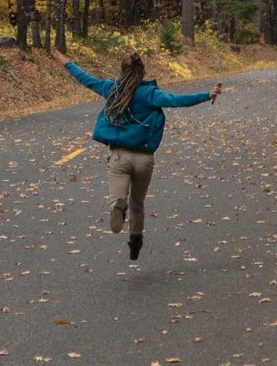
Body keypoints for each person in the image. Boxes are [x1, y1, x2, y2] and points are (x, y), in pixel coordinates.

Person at [59, 51, 220, 261]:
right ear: (142, 71)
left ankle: (118, 206)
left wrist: (66, 62)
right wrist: (207, 95)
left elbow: (85, 78)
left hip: (118, 156)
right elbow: (177, 100)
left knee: (118, 197)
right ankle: (135, 242)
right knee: (137, 203)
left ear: (122, 71)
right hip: (144, 158)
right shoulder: (150, 94)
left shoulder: (111, 89)